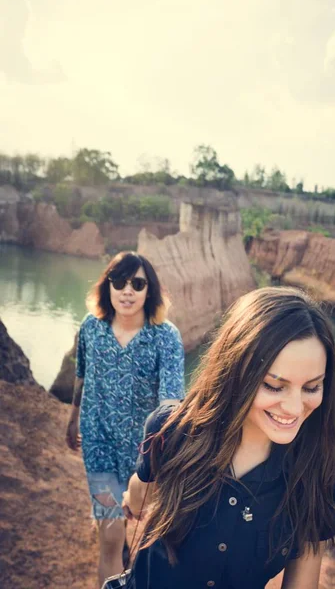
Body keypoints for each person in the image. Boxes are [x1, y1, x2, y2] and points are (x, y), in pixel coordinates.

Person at [122, 286, 335, 589]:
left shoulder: (321, 468)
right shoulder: (171, 429)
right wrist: (135, 498)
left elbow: (303, 577)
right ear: (235, 371)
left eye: (311, 387)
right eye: (274, 386)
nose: (294, 408)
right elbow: (139, 495)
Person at [66, 251, 185, 588]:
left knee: (139, 524)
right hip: (98, 442)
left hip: (142, 453)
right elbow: (82, 375)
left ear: (150, 291)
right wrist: (73, 417)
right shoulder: (92, 327)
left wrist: (150, 464)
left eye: (138, 283)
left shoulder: (165, 336)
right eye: (119, 282)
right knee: (111, 533)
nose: (127, 291)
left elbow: (171, 402)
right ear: (108, 287)